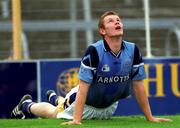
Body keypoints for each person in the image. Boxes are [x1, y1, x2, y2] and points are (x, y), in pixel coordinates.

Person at [11, 11, 172, 124]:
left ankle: (55, 98)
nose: (117, 22)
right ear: (102, 30)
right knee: (54, 114)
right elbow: (82, 88)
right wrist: (76, 120)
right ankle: (26, 105)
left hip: (109, 106)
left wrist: (150, 117)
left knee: (61, 104)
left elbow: (138, 86)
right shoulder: (94, 51)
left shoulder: (133, 50)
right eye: (111, 20)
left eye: (118, 20)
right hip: (85, 102)